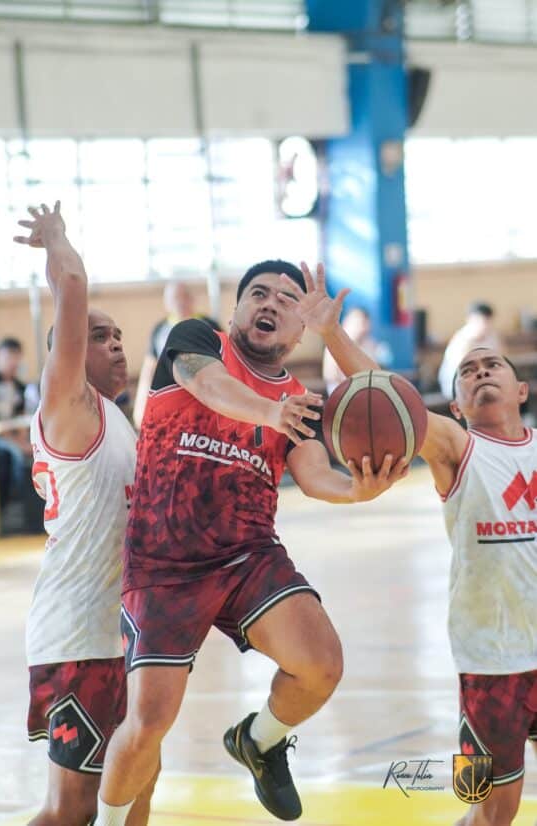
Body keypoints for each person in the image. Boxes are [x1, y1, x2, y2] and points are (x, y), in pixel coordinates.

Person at [95, 259, 408, 826]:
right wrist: (271, 412)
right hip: (164, 559)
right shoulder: (196, 340)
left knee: (321, 664)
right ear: (237, 308)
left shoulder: (300, 400)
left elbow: (318, 475)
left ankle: (259, 740)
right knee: (148, 724)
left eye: (286, 301)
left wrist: (357, 490)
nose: (269, 304)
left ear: (300, 329)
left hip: (247, 555)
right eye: (258, 294)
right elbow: (208, 386)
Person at [305, 263, 536, 826]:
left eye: (493, 366)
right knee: (492, 812)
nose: (480, 373)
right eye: (468, 372)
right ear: (455, 406)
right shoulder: (458, 446)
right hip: (490, 661)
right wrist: (331, 334)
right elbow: (387, 392)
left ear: (521, 390)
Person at [13, 202, 157, 826]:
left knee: (137, 787)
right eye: (98, 336)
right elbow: (71, 284)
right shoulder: (68, 406)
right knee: (71, 811)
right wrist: (56, 238)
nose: (115, 343)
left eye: (118, 334)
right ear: (67, 356)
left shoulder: (118, 422)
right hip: (77, 636)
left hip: (123, 635)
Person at [132, 281, 221, 429]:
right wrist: (140, 407)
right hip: (173, 401)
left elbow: (227, 360)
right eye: (175, 298)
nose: (180, 302)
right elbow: (149, 370)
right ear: (166, 304)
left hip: (206, 398)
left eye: (184, 296)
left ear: (192, 299)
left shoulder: (210, 325)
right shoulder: (160, 330)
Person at [438, 302, 502, 399]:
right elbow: (464, 371)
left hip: (482, 381)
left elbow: (501, 360)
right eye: (481, 321)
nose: (485, 325)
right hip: (456, 386)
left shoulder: (492, 336)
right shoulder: (462, 340)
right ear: (470, 319)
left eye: (488, 321)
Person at [322, 306, 391, 395]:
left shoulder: (372, 345)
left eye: (364, 323)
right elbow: (330, 376)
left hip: (367, 391)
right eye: (357, 323)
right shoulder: (333, 345)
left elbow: (379, 375)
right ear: (347, 322)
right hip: (342, 392)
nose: (361, 327)